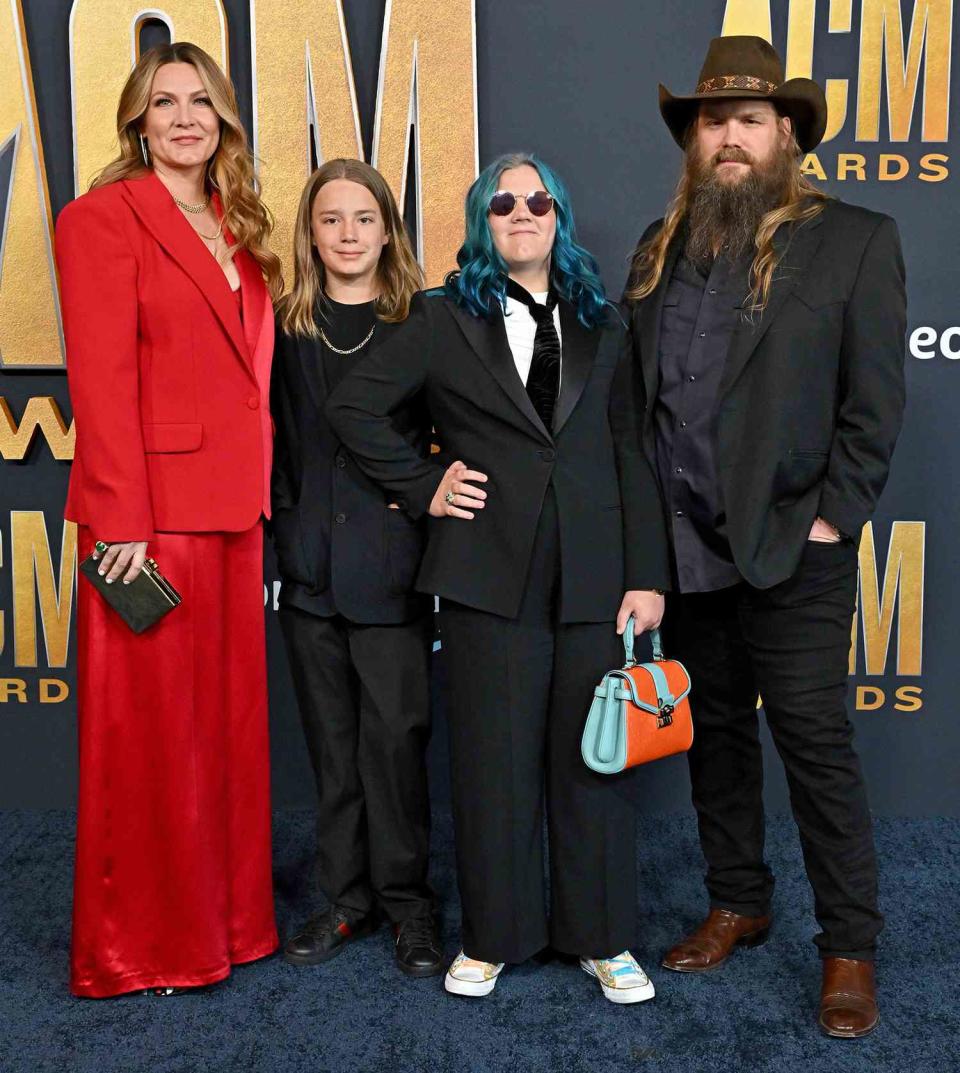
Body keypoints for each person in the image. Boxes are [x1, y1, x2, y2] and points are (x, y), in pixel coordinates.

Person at [327, 153, 670, 1003]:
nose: (523, 213)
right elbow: (353, 407)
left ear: (559, 218)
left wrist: (648, 574)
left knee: (597, 765)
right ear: (484, 219)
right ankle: (493, 935)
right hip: (486, 577)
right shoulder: (443, 320)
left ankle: (601, 938)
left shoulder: (607, 325)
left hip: (598, 579)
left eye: (539, 201)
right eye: (504, 202)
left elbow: (633, 453)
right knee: (492, 766)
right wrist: (424, 484)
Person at [623, 36, 906, 1037]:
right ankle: (738, 897)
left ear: (786, 133)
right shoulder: (658, 251)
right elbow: (640, 408)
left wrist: (833, 517)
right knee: (720, 741)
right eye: (713, 121)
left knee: (815, 743)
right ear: (693, 141)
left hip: (794, 543)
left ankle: (849, 943)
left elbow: (873, 406)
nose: (730, 136)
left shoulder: (856, 239)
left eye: (749, 118)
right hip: (687, 546)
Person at [56, 41, 283, 998]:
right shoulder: (99, 220)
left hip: (235, 512)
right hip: (150, 521)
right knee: (150, 740)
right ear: (136, 119)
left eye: (200, 101)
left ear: (222, 117)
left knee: (227, 735)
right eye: (164, 102)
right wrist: (121, 531)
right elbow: (101, 388)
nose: (184, 117)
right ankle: (141, 945)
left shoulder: (240, 222)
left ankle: (227, 922)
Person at [270, 159, 441, 977]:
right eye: (331, 219)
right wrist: (283, 541)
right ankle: (346, 899)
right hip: (308, 574)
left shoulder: (422, 323)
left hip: (392, 570)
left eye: (363, 218)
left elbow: (453, 436)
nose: (347, 234)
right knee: (333, 750)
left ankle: (409, 907)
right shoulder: (283, 327)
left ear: (387, 229)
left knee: (396, 747)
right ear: (310, 231)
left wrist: (422, 501)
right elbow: (271, 445)